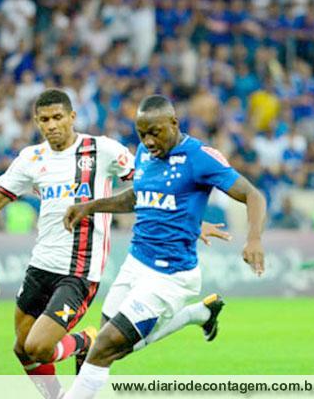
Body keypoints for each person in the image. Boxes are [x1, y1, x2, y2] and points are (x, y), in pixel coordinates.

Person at [0, 89, 134, 399]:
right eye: (44, 120)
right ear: (36, 122)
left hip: (79, 271)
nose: (51, 125)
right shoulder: (31, 158)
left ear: (72, 117)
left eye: (57, 117)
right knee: (22, 349)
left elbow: (145, 185)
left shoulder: (103, 149)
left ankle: (87, 341)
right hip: (40, 265)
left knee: (39, 347)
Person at [62, 94, 267, 399]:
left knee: (103, 347)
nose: (148, 141)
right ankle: (197, 314)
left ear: (174, 123)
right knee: (112, 347)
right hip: (135, 262)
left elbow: (253, 195)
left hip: (169, 276)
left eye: (154, 133)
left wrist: (254, 238)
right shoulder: (145, 154)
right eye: (142, 134)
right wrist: (91, 206)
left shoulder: (199, 157)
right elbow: (139, 196)